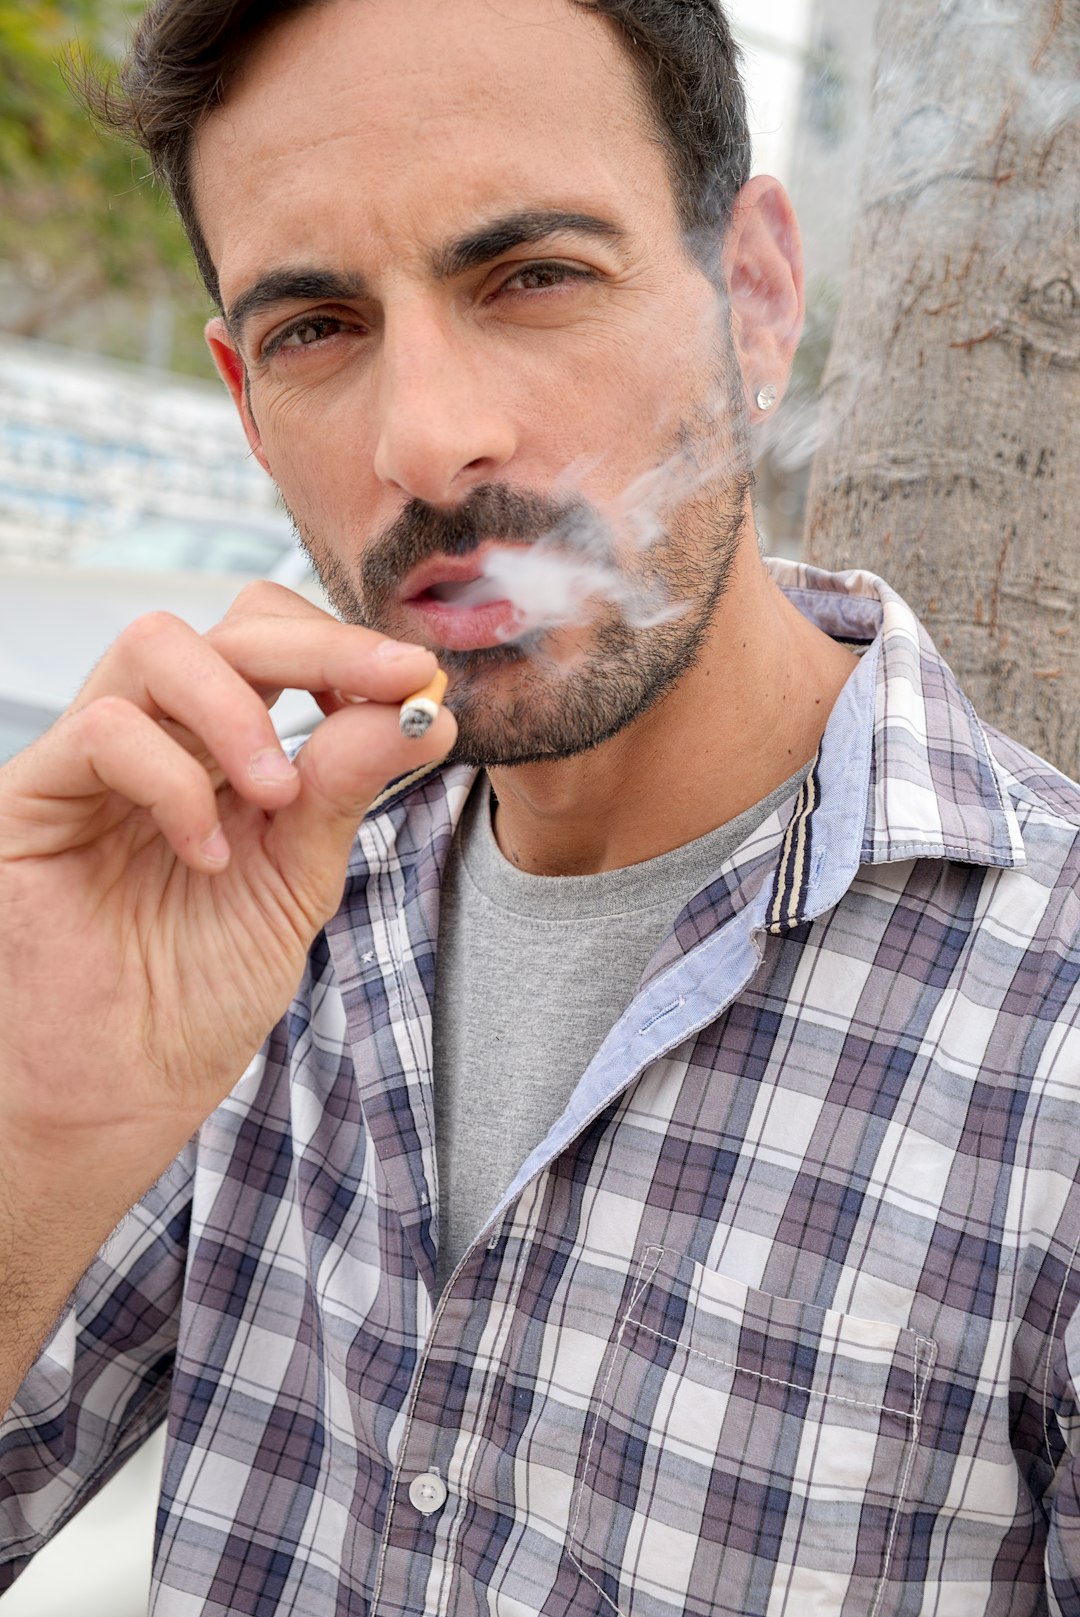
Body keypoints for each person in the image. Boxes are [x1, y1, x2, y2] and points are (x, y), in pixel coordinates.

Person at [1, 0, 1079, 1612]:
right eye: (316, 328)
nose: (428, 442)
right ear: (245, 400)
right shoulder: (240, 901)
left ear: (760, 301)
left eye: (536, 277)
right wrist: (37, 1118)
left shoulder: (1048, 1018)